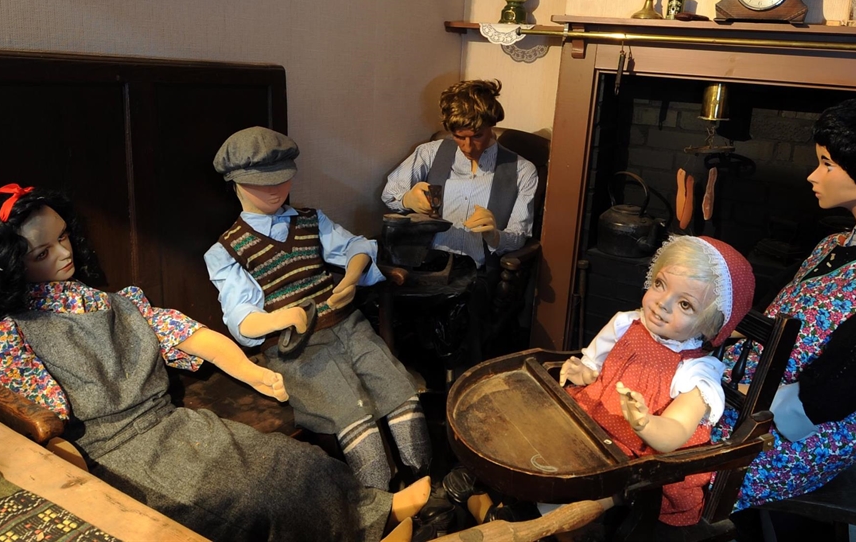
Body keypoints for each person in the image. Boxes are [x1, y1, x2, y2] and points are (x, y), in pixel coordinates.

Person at [0, 185, 432, 542]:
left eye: (64, 237)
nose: (63, 254)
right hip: (116, 451)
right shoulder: (12, 333)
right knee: (250, 498)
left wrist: (256, 374)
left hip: (169, 422)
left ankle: (376, 513)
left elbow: (187, 334)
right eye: (42, 253)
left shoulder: (112, 302)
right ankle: (368, 528)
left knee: (285, 459)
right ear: (12, 265)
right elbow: (41, 422)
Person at [713, 96, 856, 512]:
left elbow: (816, 404)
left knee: (643, 445)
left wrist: (714, 401)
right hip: (746, 399)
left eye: (827, 164)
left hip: (779, 443)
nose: (814, 175)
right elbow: (772, 317)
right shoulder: (836, 243)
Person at [204, 126, 430, 491]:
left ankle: (422, 484)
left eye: (282, 179)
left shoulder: (311, 220)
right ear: (235, 183)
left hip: (349, 327)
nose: (275, 190)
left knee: (399, 391)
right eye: (260, 183)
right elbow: (241, 320)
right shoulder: (227, 251)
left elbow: (357, 245)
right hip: (298, 350)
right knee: (351, 413)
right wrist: (280, 318)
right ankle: (382, 502)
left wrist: (351, 277)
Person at [560, 235, 755, 526]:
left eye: (685, 305)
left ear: (711, 325)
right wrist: (586, 372)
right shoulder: (627, 324)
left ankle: (551, 518)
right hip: (593, 427)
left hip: (642, 463)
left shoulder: (696, 372)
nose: (662, 304)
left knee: (574, 490)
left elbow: (676, 430)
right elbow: (597, 368)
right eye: (660, 284)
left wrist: (645, 423)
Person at [380, 79, 539, 367]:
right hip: (428, 263)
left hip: (479, 270)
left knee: (465, 310)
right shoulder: (430, 154)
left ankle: (460, 388)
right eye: (459, 136)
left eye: (476, 136)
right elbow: (389, 193)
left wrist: (495, 235)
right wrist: (408, 200)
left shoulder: (521, 171)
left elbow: (519, 236)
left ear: (491, 125)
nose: (467, 146)